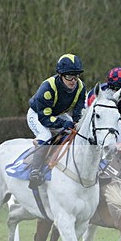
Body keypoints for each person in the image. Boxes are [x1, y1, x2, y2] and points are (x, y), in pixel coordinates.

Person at [26, 53, 87, 188]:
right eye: (69, 76)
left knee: (76, 133)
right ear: (60, 75)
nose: (73, 80)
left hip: (58, 114)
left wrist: (77, 123)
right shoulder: (47, 87)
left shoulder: (81, 87)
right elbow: (45, 118)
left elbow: (78, 111)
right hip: (37, 114)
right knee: (45, 135)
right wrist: (63, 123)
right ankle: (35, 171)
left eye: (76, 76)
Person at [86, 67, 121, 144]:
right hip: (92, 111)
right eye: (119, 88)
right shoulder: (96, 97)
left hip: (113, 118)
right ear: (110, 87)